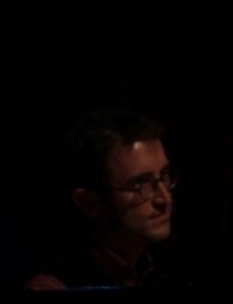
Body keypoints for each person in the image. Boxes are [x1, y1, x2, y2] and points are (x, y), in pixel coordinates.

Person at [24, 109, 178, 289]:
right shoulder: (57, 286)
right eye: (140, 185)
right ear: (89, 202)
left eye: (165, 176)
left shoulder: (176, 268)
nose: (164, 199)